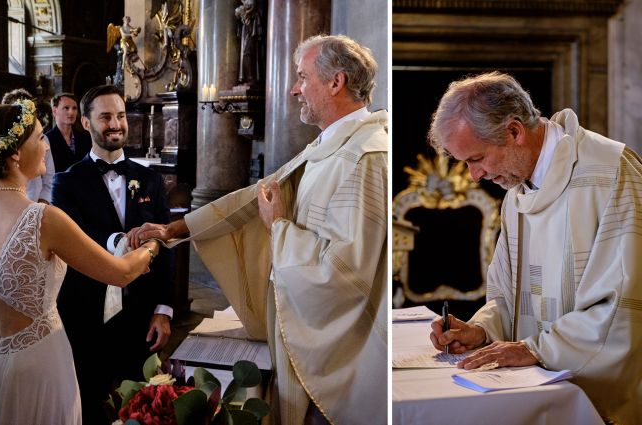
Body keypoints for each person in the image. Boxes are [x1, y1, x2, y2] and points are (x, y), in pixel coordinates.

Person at [130, 35, 388, 425]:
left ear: (336, 83)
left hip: (335, 355)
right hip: (299, 326)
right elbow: (256, 197)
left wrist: (279, 229)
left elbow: (345, 272)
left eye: (302, 77)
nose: (294, 88)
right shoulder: (331, 145)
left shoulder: (365, 157)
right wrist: (174, 229)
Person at [426, 72, 642, 424]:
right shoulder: (518, 189)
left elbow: (622, 306)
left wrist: (534, 348)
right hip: (531, 389)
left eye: (476, 158)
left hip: (596, 399)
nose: (473, 176)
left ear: (514, 131)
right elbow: (508, 294)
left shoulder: (609, 174)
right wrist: (482, 330)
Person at [0, 100, 159, 424]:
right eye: (38, 137)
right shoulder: (43, 219)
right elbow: (121, 273)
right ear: (15, 153)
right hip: (39, 366)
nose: (46, 144)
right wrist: (156, 241)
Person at [52, 85, 173, 425]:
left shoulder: (149, 179)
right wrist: (121, 240)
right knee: (90, 406)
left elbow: (166, 245)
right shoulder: (66, 183)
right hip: (88, 317)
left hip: (142, 317)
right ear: (86, 124)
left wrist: (163, 309)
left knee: (146, 406)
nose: (115, 124)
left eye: (120, 116)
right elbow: (73, 240)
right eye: (105, 117)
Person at [0, 89, 55, 204]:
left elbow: (49, 176)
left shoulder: (43, 139)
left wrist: (42, 203)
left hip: (36, 200)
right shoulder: (2, 144)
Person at [46, 93, 92, 172]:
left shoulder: (85, 137)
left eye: (74, 108)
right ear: (54, 111)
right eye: (66, 108)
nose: (71, 112)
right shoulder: (47, 140)